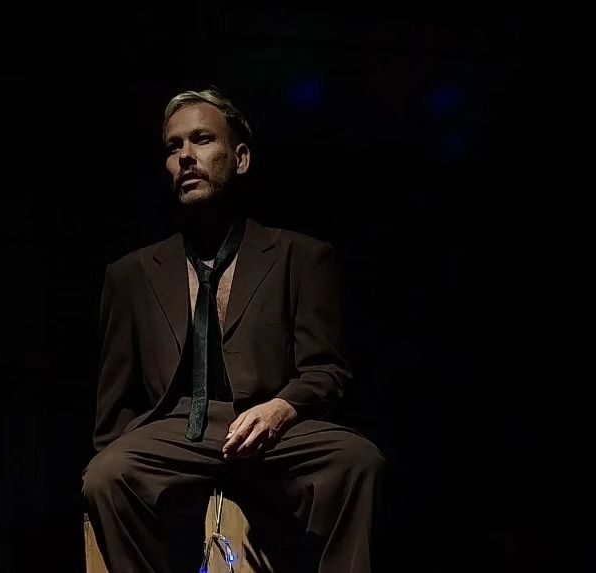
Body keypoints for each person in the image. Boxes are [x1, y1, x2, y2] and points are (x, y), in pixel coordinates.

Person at [81, 87, 384, 572]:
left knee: (356, 459)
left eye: (202, 140)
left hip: (272, 429)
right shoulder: (130, 275)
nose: (185, 156)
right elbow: (115, 404)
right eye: (173, 147)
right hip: (177, 432)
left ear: (240, 158)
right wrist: (130, 456)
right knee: (106, 475)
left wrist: (281, 409)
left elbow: (326, 369)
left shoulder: (301, 256)